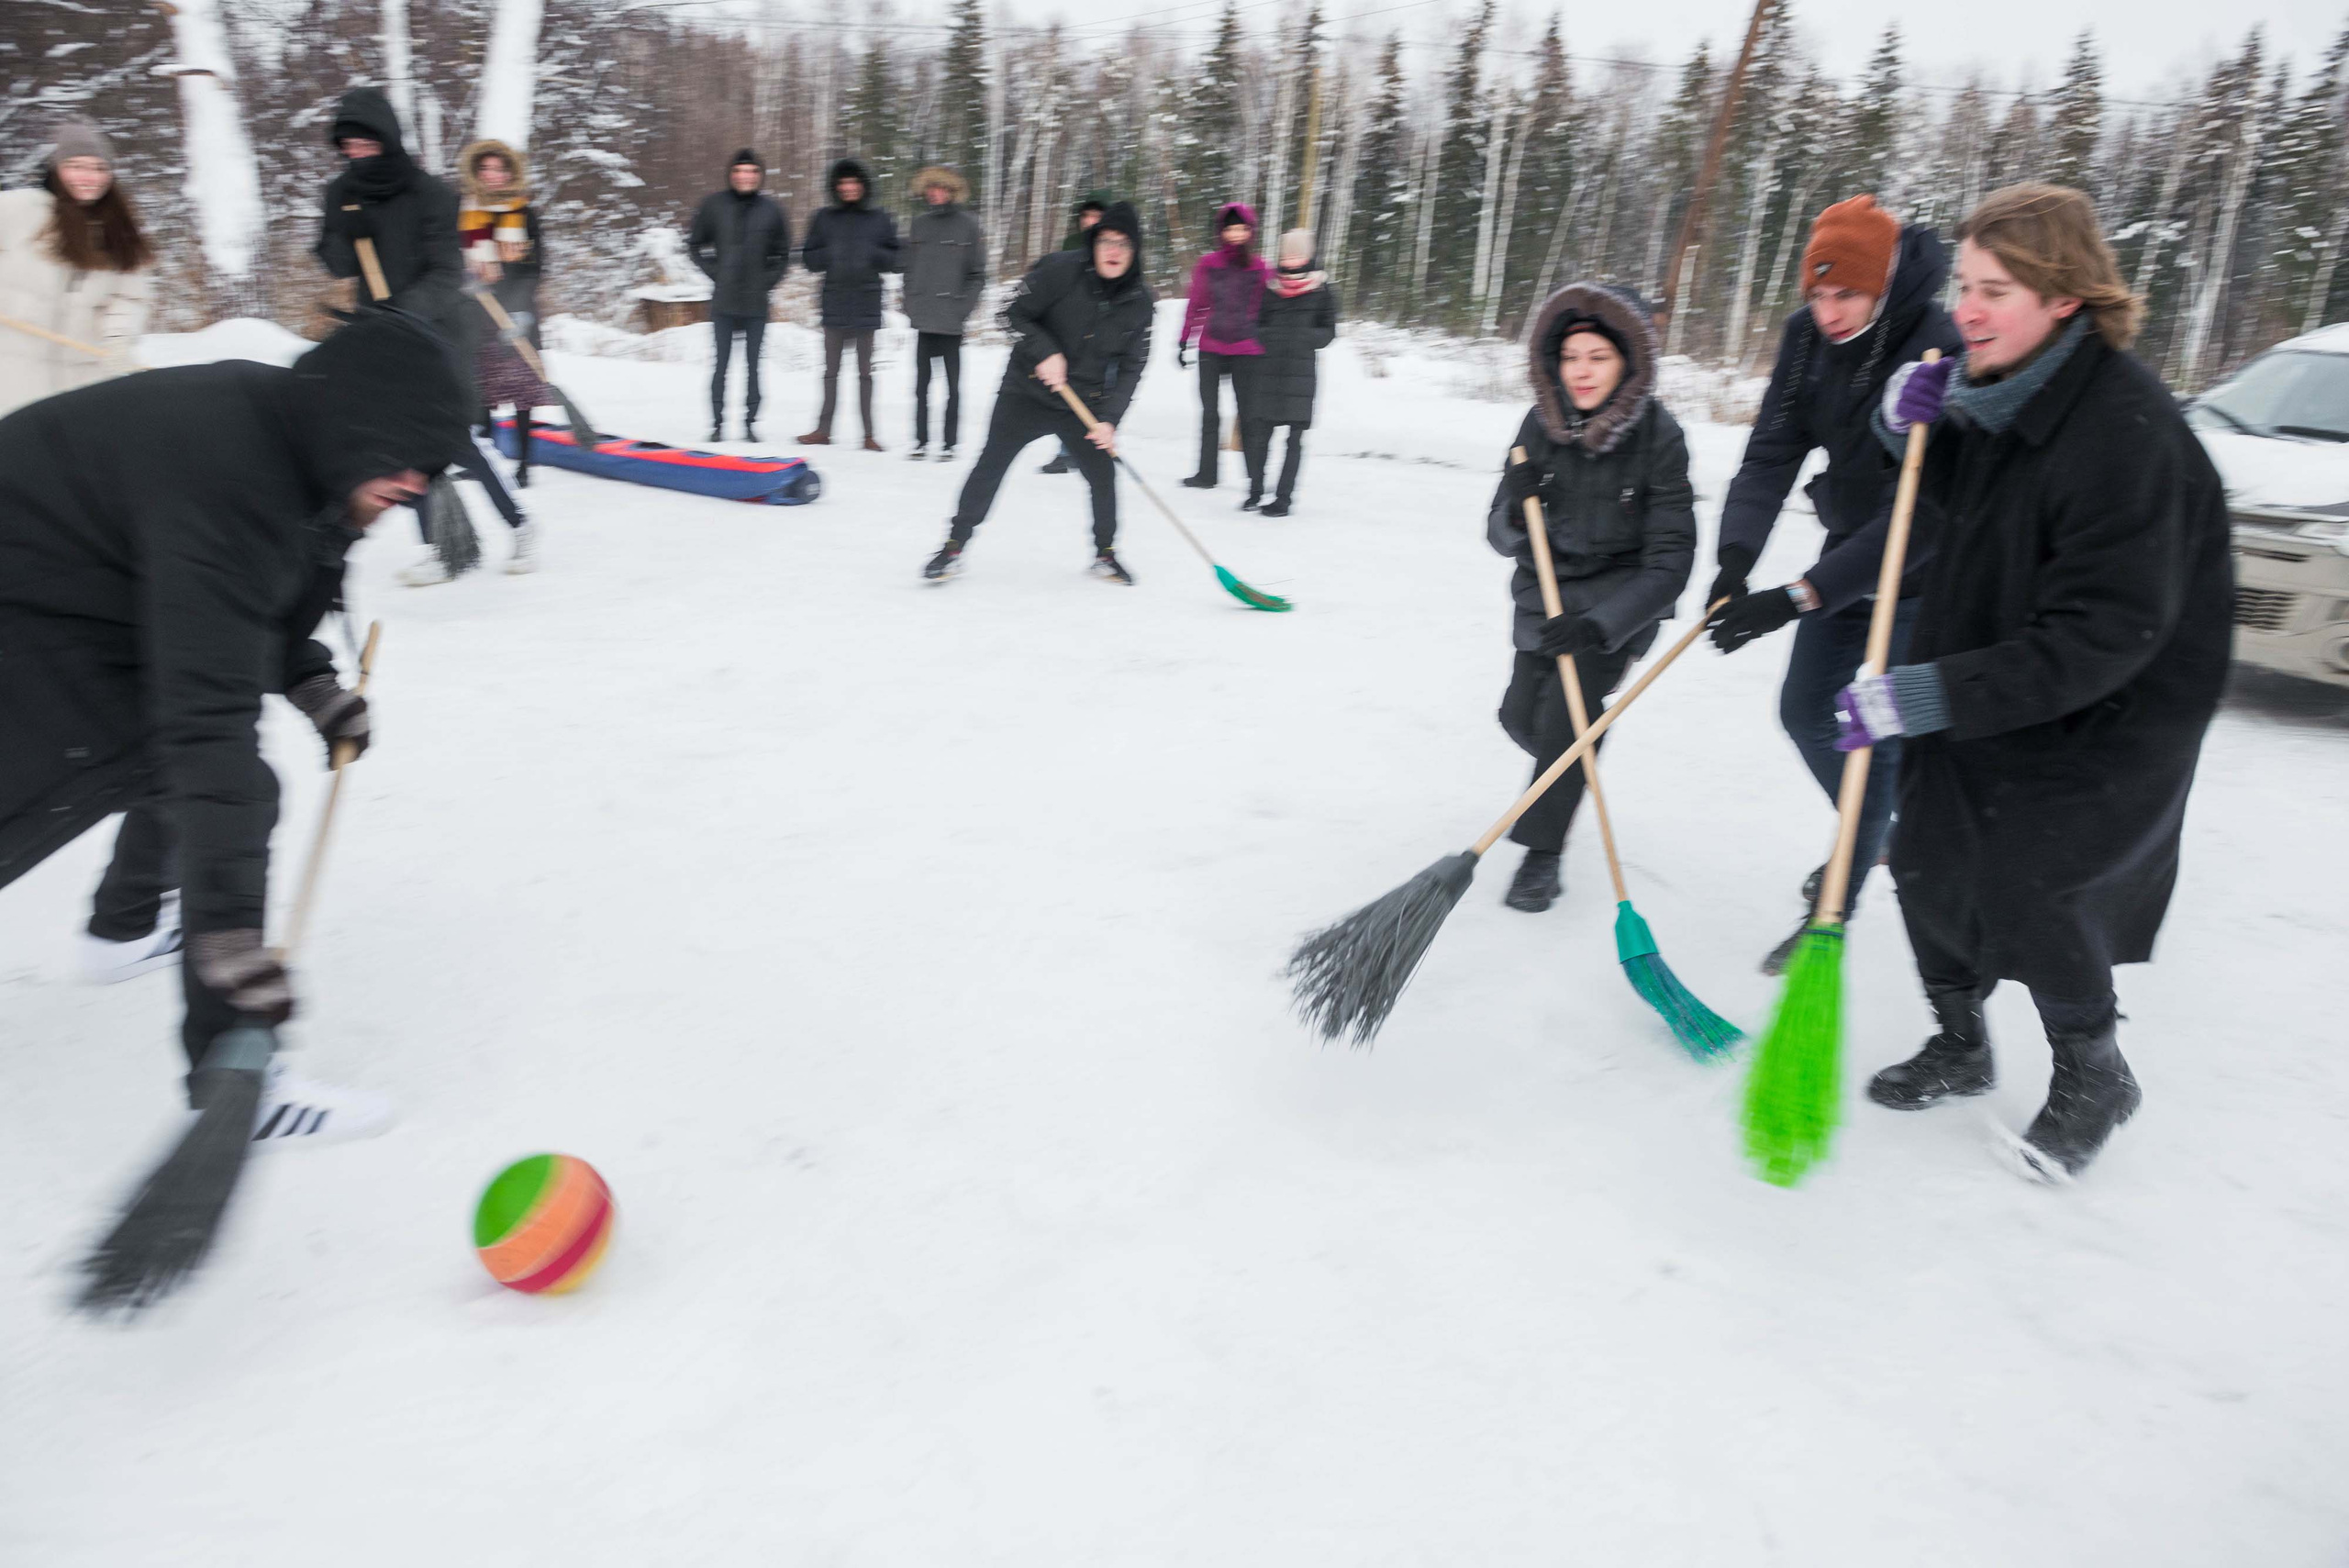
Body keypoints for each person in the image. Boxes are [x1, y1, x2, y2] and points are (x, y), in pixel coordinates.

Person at [1836, 184, 2232, 1183]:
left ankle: (2094, 1071)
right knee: (1922, 857)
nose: (1965, 309)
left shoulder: (2126, 434)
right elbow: (1950, 488)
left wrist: (1921, 695)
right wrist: (1902, 422)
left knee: (2033, 886)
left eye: (1994, 290)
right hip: (1994, 666)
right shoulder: (2002, 387)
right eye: (1964, 284)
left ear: (2065, 298)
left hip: (2115, 708)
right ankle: (1962, 1042)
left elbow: (2102, 635)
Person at [0, 310, 473, 1140]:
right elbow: (207, 720)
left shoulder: (295, 440)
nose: (418, 485)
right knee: (216, 775)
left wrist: (313, 685)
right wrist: (231, 948)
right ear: (363, 418)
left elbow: (260, 604)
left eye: (431, 468)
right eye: (409, 457)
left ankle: (123, 928)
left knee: (175, 750)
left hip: (73, 594)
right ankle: (237, 1069)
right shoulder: (230, 476)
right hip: (28, 619)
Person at [1706, 195, 1962, 973]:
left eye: (1846, 292)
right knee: (1805, 708)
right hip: (1848, 548)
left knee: (1872, 730)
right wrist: (1735, 560)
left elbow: (1921, 513)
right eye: (1816, 293)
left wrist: (1799, 596)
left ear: (1883, 286)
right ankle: (1876, 830)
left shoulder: (1935, 346)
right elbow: (1772, 450)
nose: (1829, 311)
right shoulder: (1804, 343)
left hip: (1925, 570)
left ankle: (1834, 907)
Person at [1486, 284, 1696, 913]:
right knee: (1521, 718)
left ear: (1628, 363)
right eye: (1572, 355)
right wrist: (1516, 511)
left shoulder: (1660, 436)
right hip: (1543, 598)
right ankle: (1571, 754)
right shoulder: (1538, 425)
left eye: (1598, 357)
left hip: (1617, 603)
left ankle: (1540, 855)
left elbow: (1671, 562)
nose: (1581, 370)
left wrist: (1603, 625)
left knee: (1567, 715)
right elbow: (1495, 531)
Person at [317, 87, 535, 584]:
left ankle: (520, 524)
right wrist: (342, 237)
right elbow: (335, 262)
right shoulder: (342, 193)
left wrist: (402, 313)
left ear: (388, 139)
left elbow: (445, 272)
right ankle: (441, 546)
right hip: (377, 330)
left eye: (365, 144)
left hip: (437, 331)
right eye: (348, 146)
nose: (357, 154)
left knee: (451, 441)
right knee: (398, 446)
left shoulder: (431, 194)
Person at [920, 202, 1153, 586]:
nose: (1114, 251)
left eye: (1124, 245)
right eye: (1107, 241)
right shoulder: (1059, 270)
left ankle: (1105, 554)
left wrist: (1110, 419)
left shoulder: (1140, 301)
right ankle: (953, 546)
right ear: (1094, 242)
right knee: (991, 464)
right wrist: (1044, 351)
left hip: (1084, 403)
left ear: (1135, 252)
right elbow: (1009, 314)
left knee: (1102, 474)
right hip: (1027, 391)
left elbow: (1132, 366)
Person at [0, 119, 153, 419]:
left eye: (100, 169)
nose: (90, 177)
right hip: (12, 371)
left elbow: (129, 297)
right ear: (56, 168)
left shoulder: (120, 228)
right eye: (77, 166)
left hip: (83, 376)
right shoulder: (18, 209)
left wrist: (118, 341)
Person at [456, 139, 552, 496]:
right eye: (485, 169)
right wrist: (464, 281)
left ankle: (525, 463)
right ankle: (485, 459)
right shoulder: (467, 212)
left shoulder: (524, 212)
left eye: (499, 168)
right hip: (478, 314)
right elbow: (456, 259)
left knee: (521, 391)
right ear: (476, 173)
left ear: (510, 173)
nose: (492, 175)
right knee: (484, 391)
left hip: (518, 314)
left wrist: (519, 309)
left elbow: (537, 266)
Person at [688, 150, 792, 442]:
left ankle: (750, 423)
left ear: (759, 176)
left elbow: (783, 254)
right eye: (740, 172)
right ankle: (718, 424)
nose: (745, 177)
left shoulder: (772, 210)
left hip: (756, 303)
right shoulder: (713, 205)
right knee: (720, 365)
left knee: (753, 366)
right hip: (723, 301)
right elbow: (695, 245)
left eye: (751, 172)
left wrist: (766, 282)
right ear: (731, 174)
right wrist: (716, 273)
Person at [799, 158, 900, 451]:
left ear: (863, 185)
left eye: (854, 182)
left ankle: (869, 434)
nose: (848, 188)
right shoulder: (823, 218)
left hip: (867, 302)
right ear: (836, 186)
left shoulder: (880, 218)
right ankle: (823, 429)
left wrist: (872, 253)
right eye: (843, 183)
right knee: (830, 372)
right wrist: (829, 254)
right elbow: (808, 259)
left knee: (865, 374)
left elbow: (896, 259)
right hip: (834, 301)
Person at [1241, 228, 1338, 517]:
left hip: (1301, 373)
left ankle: (1283, 499)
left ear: (1308, 255)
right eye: (1287, 253)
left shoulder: (1322, 289)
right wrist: (1269, 336)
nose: (1292, 259)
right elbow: (1255, 323)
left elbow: (1329, 331)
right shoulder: (1270, 287)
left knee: (1294, 439)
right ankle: (1255, 491)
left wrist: (1305, 338)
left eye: (1297, 253)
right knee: (1259, 435)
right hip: (1268, 371)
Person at [1178, 202, 1268, 490]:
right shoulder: (1209, 264)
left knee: (1250, 415)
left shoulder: (1260, 267)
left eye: (1241, 229)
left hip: (1247, 350)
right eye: (1230, 229)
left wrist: (1264, 340)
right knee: (1209, 414)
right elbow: (1197, 304)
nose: (1236, 234)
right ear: (1222, 231)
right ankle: (1207, 474)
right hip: (1211, 348)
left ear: (1250, 231)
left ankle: (1255, 478)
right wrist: (1184, 340)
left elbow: (1268, 309)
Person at [903, 166, 987, 462]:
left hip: (952, 321)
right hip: (924, 318)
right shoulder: (919, 224)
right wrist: (910, 302)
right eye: (930, 189)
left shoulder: (969, 225)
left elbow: (978, 274)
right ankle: (921, 441)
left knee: (952, 387)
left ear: (951, 192)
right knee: (920, 386)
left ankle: (950, 444)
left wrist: (963, 308)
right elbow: (908, 269)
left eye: (940, 189)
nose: (934, 194)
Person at [1041, 191, 1113, 475]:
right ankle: (1065, 451)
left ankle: (1091, 448)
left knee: (1102, 391)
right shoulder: (1072, 246)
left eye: (1097, 217)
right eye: (1087, 216)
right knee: (1073, 389)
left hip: (1106, 331)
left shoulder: (1116, 245)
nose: (1091, 221)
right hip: (1075, 331)